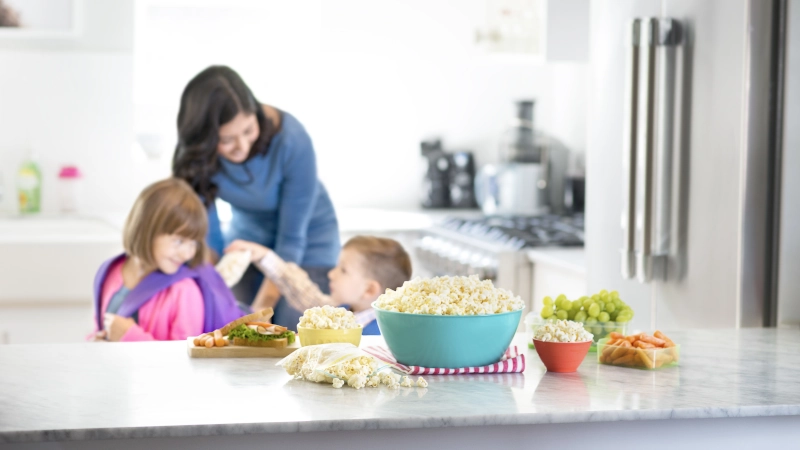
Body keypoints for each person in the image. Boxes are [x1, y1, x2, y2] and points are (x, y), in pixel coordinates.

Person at [172, 65, 340, 331]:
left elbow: (292, 238)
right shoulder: (194, 158)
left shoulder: (292, 139)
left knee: (286, 332)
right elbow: (206, 234)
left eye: (248, 131)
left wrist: (261, 309)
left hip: (307, 246)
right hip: (245, 244)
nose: (242, 146)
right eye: (227, 139)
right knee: (231, 328)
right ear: (203, 139)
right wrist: (213, 283)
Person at [90, 178, 244, 342]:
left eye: (194, 243)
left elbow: (184, 360)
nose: (187, 254)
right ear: (147, 229)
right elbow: (99, 329)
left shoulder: (184, 290)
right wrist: (96, 342)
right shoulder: (110, 271)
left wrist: (130, 337)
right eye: (179, 241)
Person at [225, 236, 412, 334]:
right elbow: (304, 294)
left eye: (343, 270)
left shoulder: (380, 337)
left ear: (369, 289)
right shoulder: (345, 310)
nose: (331, 274)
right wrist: (265, 256)